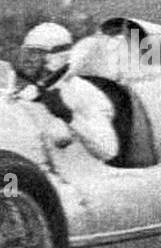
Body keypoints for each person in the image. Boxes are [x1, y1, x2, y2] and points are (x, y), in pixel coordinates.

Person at [14, 22, 118, 162]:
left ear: (56, 57)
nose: (27, 59)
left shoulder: (83, 92)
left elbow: (108, 150)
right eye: (26, 52)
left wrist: (68, 116)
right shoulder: (28, 90)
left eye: (36, 53)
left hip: (76, 171)